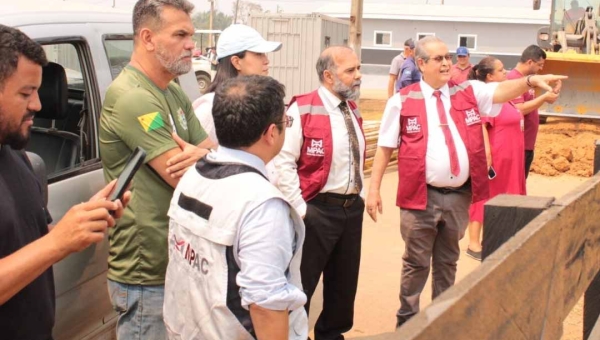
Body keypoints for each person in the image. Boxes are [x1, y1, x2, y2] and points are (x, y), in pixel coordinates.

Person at [365, 36, 566, 328]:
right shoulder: (402, 100)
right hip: (420, 197)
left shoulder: (468, 91)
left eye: (448, 57)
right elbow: (384, 147)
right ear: (421, 64)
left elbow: (501, 90)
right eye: (439, 59)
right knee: (416, 264)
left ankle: (442, 323)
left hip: (458, 196)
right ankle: (407, 324)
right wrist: (373, 190)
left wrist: (532, 80)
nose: (447, 63)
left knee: (448, 263)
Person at [0, 24, 128, 339]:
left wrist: (79, 226)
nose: (37, 106)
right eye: (25, 93)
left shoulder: (15, 153)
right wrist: (56, 243)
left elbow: (32, 243)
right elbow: (46, 247)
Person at [99, 0, 213, 338]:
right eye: (180, 34)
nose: (191, 44)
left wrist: (204, 156)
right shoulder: (133, 96)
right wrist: (205, 158)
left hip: (175, 261)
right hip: (145, 272)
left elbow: (207, 152)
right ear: (147, 38)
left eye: (190, 35)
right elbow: (186, 176)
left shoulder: (172, 92)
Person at [164, 75, 308, 340]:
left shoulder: (193, 176)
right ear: (271, 133)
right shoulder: (262, 205)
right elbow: (266, 306)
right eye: (285, 122)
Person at [273, 45, 365, 340]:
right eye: (350, 71)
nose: (358, 76)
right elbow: (283, 162)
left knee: (343, 285)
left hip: (351, 211)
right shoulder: (301, 109)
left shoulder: (350, 108)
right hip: (316, 211)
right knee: (303, 284)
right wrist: (302, 210)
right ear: (328, 75)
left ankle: (331, 335)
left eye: (358, 68)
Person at [465, 57, 527, 261]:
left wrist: (543, 100)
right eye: (501, 70)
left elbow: (518, 112)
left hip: (511, 158)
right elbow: (481, 125)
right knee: (486, 196)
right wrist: (487, 154)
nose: (505, 72)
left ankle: (498, 240)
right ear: (490, 76)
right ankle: (473, 242)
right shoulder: (486, 98)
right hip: (497, 157)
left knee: (506, 196)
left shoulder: (503, 96)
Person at [193, 24, 282, 144]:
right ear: (236, 62)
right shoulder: (209, 107)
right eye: (258, 54)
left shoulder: (257, 103)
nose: (266, 60)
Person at [508, 45, 560, 179]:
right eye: (539, 65)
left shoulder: (527, 79)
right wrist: (544, 98)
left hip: (527, 143)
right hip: (520, 144)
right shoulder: (515, 79)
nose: (541, 69)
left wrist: (551, 90)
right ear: (530, 62)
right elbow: (519, 109)